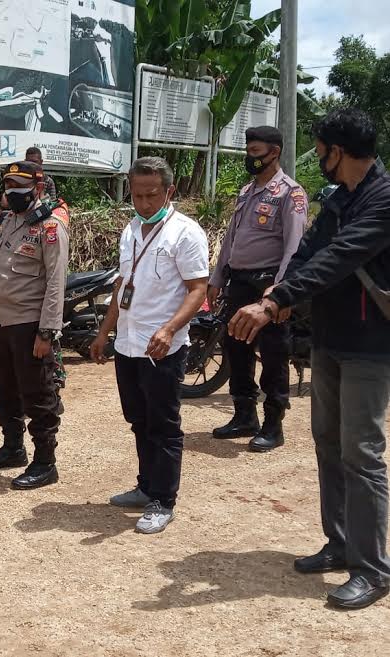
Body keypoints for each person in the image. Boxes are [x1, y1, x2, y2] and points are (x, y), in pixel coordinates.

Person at [228, 109, 390, 609]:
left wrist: (276, 301)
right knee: (327, 442)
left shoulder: (383, 200)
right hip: (330, 338)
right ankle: (340, 543)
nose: (316, 155)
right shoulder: (339, 198)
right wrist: (280, 287)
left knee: (362, 453)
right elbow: (307, 251)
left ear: (336, 150)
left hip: (371, 346)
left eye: (319, 147)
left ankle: (373, 569)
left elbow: (341, 255)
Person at [90, 156, 208, 534]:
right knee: (138, 419)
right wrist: (104, 331)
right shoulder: (131, 230)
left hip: (162, 348)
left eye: (151, 195)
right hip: (128, 343)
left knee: (164, 424)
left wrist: (170, 329)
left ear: (169, 191)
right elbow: (121, 288)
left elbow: (198, 290)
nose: (143, 203)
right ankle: (145, 486)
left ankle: (163, 499)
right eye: (137, 195)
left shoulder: (186, 233)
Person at [208, 126, 308, 452]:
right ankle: (243, 416)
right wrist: (216, 278)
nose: (250, 157)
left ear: (274, 152)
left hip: (268, 284)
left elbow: (293, 248)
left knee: (274, 353)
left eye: (256, 152)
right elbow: (231, 241)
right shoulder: (246, 191)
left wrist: (279, 292)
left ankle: (272, 425)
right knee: (235, 348)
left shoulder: (290, 194)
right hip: (238, 280)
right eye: (248, 150)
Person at [0, 161, 69, 490]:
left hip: (29, 325)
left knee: (38, 394)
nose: (12, 192)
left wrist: (46, 332)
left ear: (38, 189)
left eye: (20, 186)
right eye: (8, 185)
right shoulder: (4, 222)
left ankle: (45, 462)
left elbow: (56, 284)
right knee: (3, 389)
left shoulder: (50, 227)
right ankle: (13, 447)